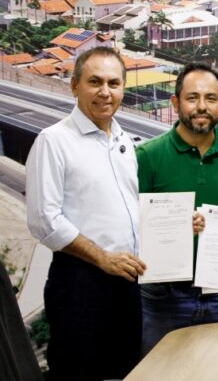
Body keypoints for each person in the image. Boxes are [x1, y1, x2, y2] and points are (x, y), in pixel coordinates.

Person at [26, 47, 145, 380]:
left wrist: (180, 226)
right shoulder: (54, 141)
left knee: (125, 371)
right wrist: (102, 258)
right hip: (80, 283)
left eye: (114, 83)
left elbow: (129, 212)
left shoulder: (124, 142)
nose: (105, 92)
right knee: (79, 372)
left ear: (123, 88)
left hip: (126, 282)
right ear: (75, 86)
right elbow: (44, 221)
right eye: (95, 82)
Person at [135, 63, 218, 355]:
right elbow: (129, 229)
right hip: (162, 297)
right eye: (192, 98)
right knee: (160, 375)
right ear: (175, 102)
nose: (201, 106)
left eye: (210, 98)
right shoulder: (147, 156)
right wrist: (173, 229)